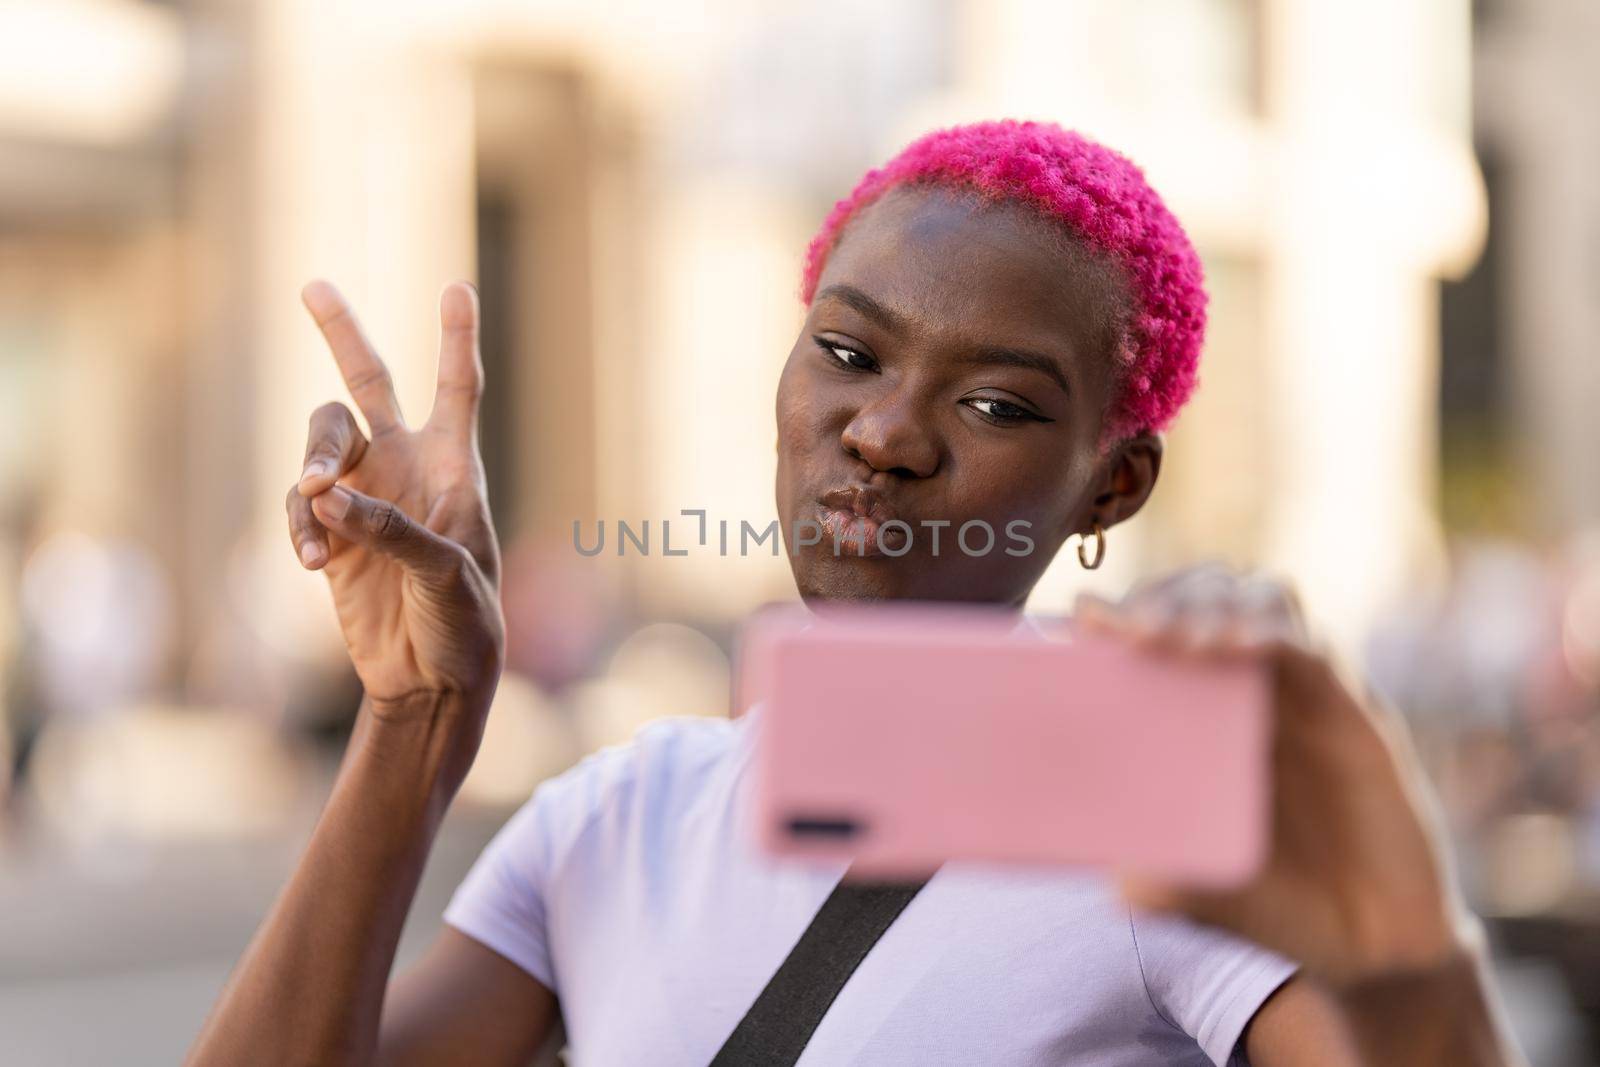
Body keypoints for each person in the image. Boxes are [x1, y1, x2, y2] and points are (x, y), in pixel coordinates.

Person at [187, 120, 1525, 1065]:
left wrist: (1361, 865)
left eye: (997, 401)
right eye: (846, 350)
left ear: (1112, 488)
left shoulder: (1171, 838)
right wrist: (416, 721)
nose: (885, 432)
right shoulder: (620, 818)